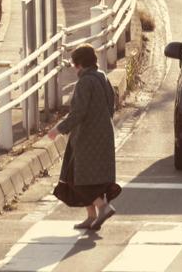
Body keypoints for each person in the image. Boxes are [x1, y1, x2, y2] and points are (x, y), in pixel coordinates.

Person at [48, 44, 120, 230]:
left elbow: (78, 112)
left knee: (75, 177)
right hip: (104, 134)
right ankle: (91, 216)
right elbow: (112, 104)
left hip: (87, 137)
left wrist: (58, 129)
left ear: (79, 64)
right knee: (92, 178)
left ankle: (102, 207)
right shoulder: (103, 77)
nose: (73, 68)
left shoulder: (85, 82)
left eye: (73, 64)